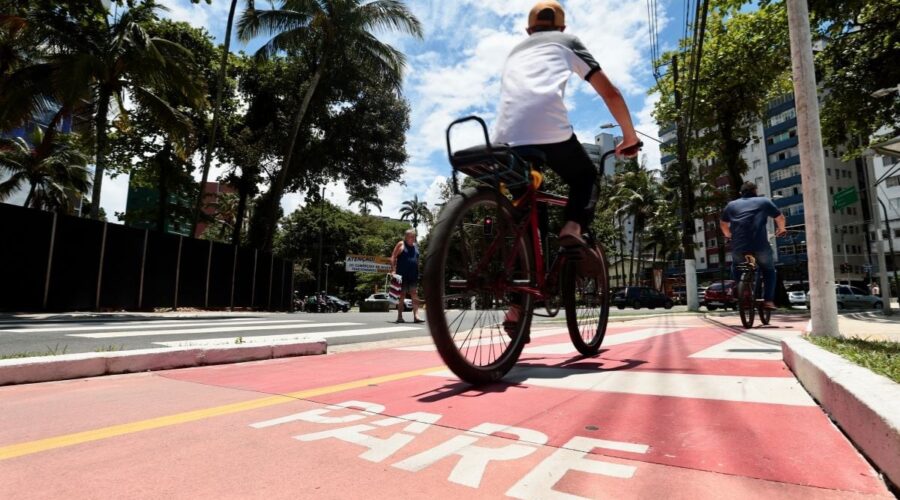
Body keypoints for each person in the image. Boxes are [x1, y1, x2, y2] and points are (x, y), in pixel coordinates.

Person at [493, 1, 640, 329]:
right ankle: (572, 228)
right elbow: (610, 92)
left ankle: (516, 309)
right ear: (561, 27)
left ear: (528, 30)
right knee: (585, 177)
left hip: (505, 138)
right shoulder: (567, 42)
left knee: (527, 220)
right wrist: (629, 136)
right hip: (549, 130)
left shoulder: (515, 52)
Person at [720, 181, 787, 310]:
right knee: (769, 270)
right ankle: (768, 301)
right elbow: (780, 218)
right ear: (755, 191)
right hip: (760, 245)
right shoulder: (764, 201)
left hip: (739, 246)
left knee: (736, 266)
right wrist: (782, 229)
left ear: (741, 193)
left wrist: (728, 235)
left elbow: (723, 223)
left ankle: (742, 292)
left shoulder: (731, 205)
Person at [391, 229, 423, 324]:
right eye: (411, 236)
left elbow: (417, 260)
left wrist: (418, 272)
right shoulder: (401, 244)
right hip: (402, 275)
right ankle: (400, 316)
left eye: (414, 236)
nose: (413, 238)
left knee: (414, 294)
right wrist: (393, 270)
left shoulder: (416, 246)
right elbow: (393, 257)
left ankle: (416, 316)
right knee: (402, 296)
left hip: (413, 275)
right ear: (406, 237)